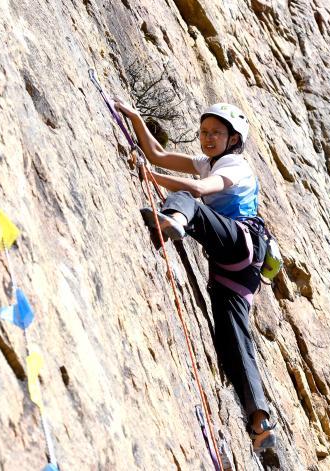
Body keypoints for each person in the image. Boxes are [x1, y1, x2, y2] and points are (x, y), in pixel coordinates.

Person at [114, 99, 277, 450]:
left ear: (234, 139)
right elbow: (157, 153)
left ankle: (175, 220)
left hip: (241, 242)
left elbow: (200, 190)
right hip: (237, 269)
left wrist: (150, 177)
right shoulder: (206, 163)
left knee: (187, 196)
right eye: (204, 132)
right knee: (233, 339)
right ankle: (259, 419)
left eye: (216, 132)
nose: (208, 138)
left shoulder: (235, 165)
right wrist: (136, 118)